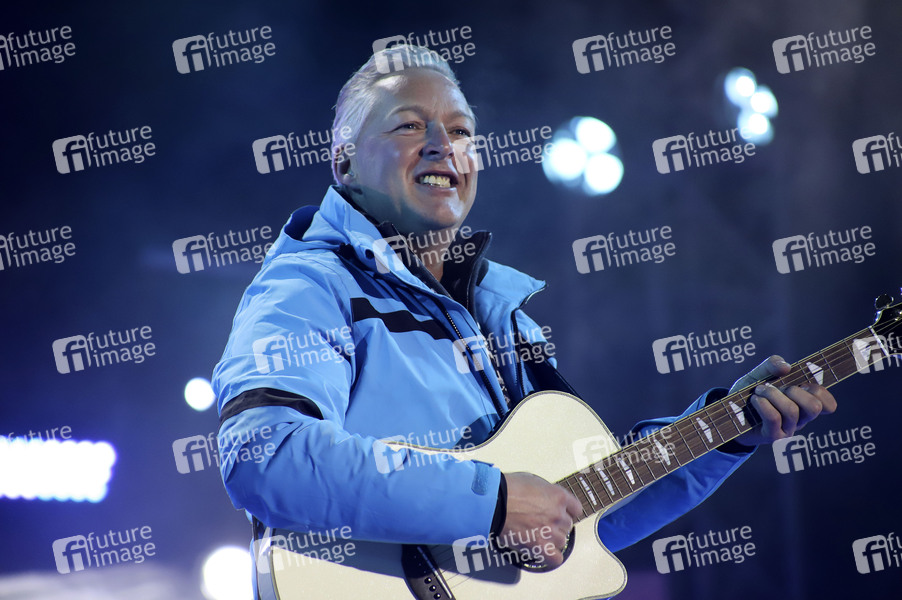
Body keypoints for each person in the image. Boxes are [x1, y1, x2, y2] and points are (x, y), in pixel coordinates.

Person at [211, 45, 836, 595]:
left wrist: (729, 427)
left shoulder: (503, 320)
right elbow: (264, 455)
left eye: (460, 130)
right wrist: (493, 502)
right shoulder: (311, 284)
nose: (443, 144)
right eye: (410, 125)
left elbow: (577, 516)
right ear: (344, 162)